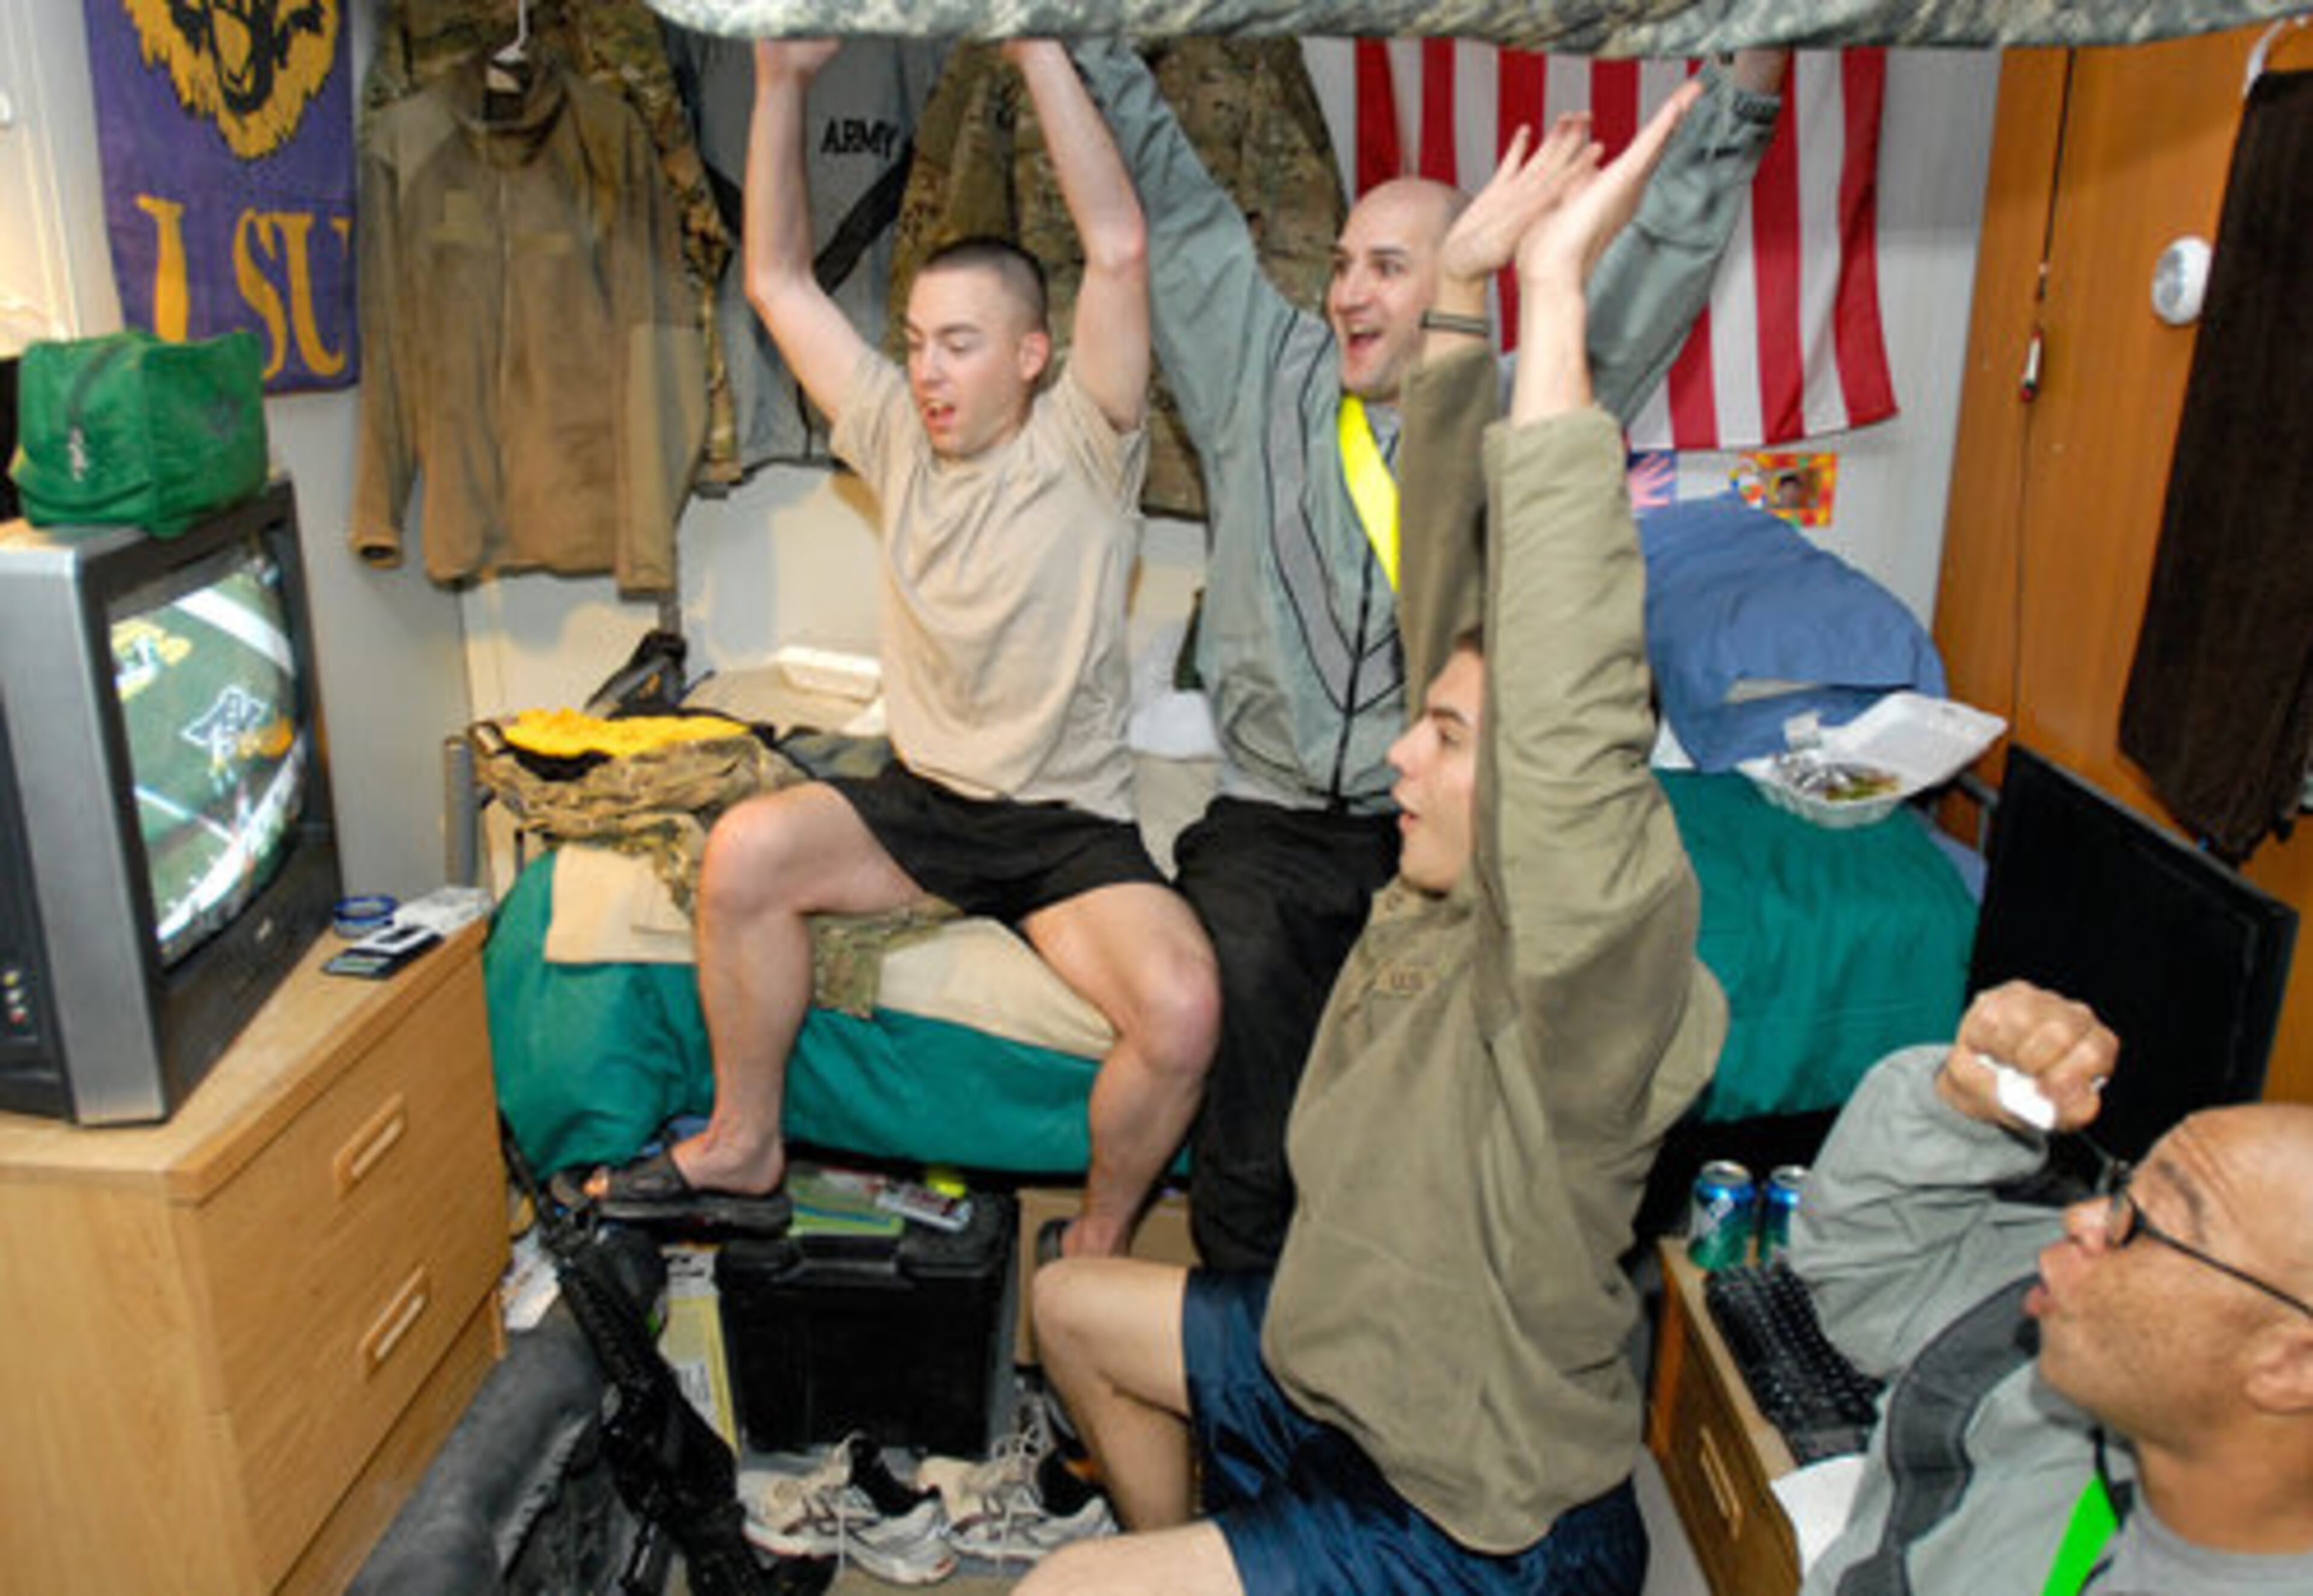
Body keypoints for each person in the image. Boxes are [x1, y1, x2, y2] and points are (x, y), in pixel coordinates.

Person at [1021, 88, 1729, 1595]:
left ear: (1542, 786)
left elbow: (1561, 665)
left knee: (1048, 1593)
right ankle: (1200, 1556)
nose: (1406, 744)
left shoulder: (1584, 963)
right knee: (1073, 1300)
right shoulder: (1432, 881)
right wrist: (1469, 308)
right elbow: (1452, 584)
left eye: (1452, 740)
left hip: (1468, 1509)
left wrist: (1547, 297)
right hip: (1338, 1369)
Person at [1070, 40, 1790, 1268]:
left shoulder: (1518, 408)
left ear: (1466, 277)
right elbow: (1175, 195)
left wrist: (1749, 88)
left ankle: (1416, 1305)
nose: (1350, 291)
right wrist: (1075, 35)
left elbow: (1658, 261)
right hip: (1272, 818)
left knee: (1478, 1056)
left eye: (1389, 267)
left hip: (1440, 822)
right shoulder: (1261, 372)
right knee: (1245, 1009)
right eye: (1342, 263)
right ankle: (1247, 1322)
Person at [588, 39, 1220, 1261]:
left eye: (961, 344)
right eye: (919, 339)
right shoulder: (891, 431)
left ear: (1034, 356)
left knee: (1184, 1007)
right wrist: (778, 85)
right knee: (744, 853)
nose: (926, 369)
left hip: (1063, 825)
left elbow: (1122, 248)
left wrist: (1036, 43)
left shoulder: (1087, 443)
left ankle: (1096, 1234)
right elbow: (775, 276)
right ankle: (743, 1141)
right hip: (924, 800)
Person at [1788, 980, 2313, 1594]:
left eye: (2143, 1227)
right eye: (2121, 1190)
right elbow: (1876, 1276)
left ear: (2293, 1363)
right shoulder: (2098, 1359)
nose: (2080, 1219)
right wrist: (1961, 1107)